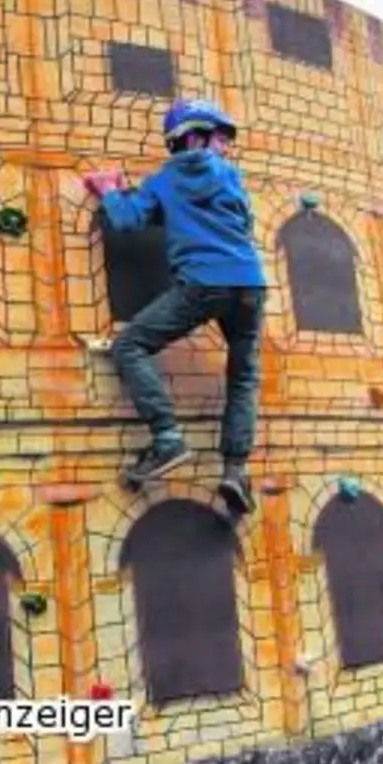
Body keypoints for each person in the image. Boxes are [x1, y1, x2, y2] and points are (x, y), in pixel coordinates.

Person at [83, 98, 267, 516]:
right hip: (251, 283)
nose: (225, 148)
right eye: (220, 138)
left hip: (203, 282)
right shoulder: (232, 177)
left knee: (129, 346)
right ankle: (234, 471)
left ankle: (167, 439)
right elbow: (245, 224)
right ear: (195, 134)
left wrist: (110, 190)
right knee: (243, 379)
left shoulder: (163, 182)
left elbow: (127, 221)